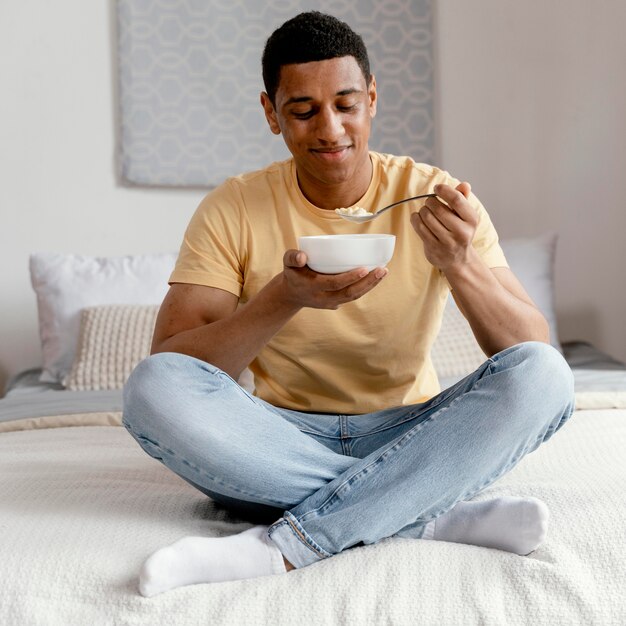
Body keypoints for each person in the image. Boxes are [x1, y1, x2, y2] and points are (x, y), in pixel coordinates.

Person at [122, 11, 574, 597]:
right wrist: (282, 298)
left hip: (412, 431)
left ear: (373, 99)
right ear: (270, 113)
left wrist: (460, 263)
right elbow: (177, 361)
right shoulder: (233, 207)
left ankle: (286, 545)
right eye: (303, 111)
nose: (330, 129)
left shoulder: (434, 193)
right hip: (274, 439)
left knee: (547, 375)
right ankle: (426, 513)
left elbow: (526, 348)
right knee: (151, 388)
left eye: (346, 104)